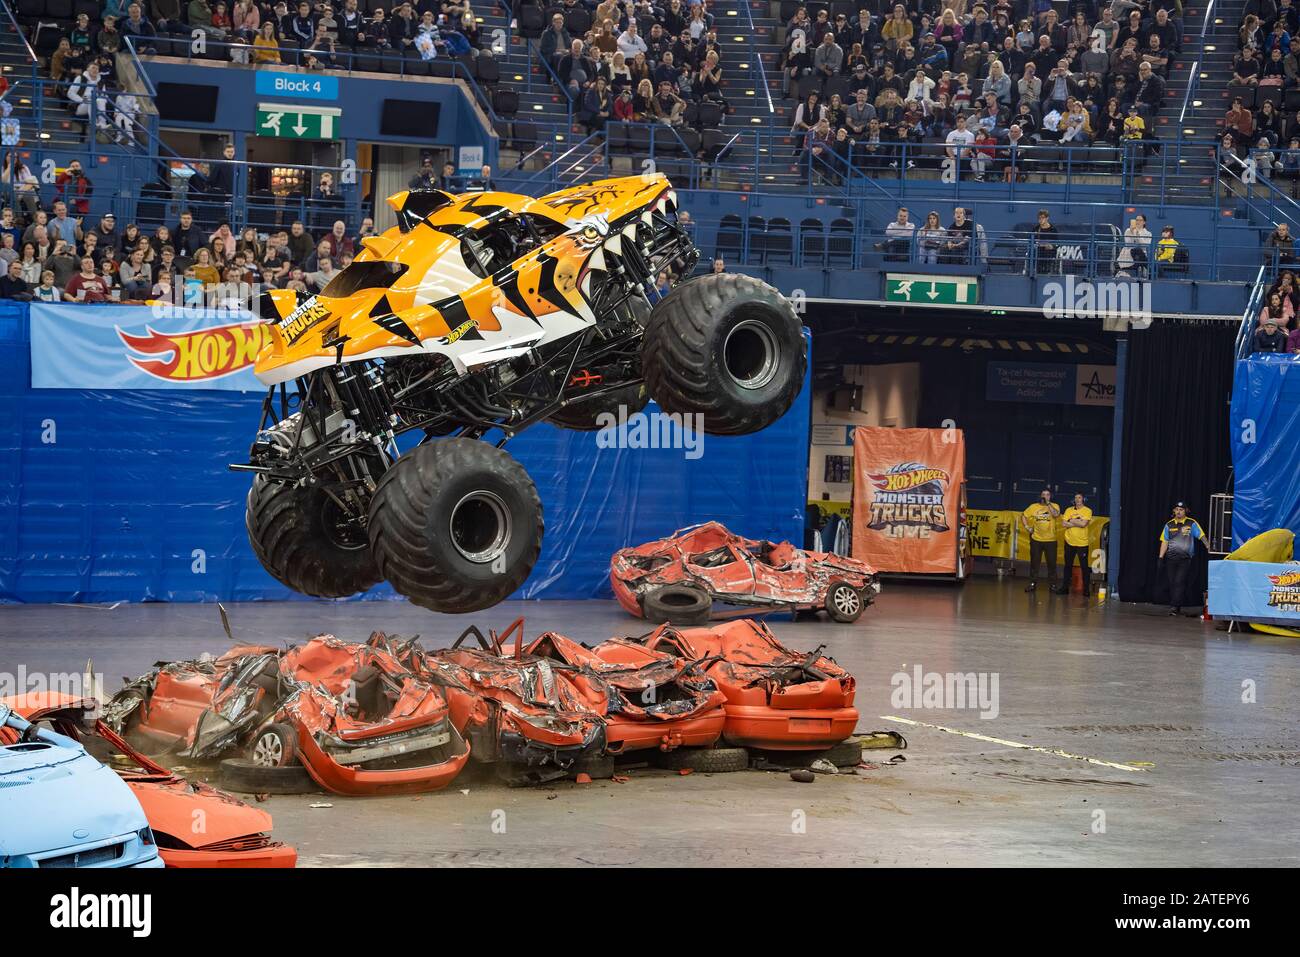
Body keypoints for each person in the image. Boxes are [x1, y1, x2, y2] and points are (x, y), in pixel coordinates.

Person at [1159, 503, 1208, 616]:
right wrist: (1160, 558)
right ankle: (1177, 605)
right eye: (1176, 509)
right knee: (1172, 582)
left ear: (1185, 511)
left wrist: (1208, 546)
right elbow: (1164, 541)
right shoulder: (1169, 525)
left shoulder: (1191, 523)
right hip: (1171, 559)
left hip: (1185, 559)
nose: (1179, 511)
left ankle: (1174, 607)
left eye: (1181, 509)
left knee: (1179, 581)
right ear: (1174, 511)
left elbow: (1201, 535)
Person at [1021, 487, 1061, 592]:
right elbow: (1024, 516)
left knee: (1052, 563)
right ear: (1040, 496)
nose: (1045, 496)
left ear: (1050, 496)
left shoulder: (1055, 506)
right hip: (1036, 540)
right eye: (1043, 494)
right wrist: (1027, 527)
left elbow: (1056, 514)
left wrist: (1048, 504)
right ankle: (1032, 584)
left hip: (1051, 540)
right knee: (1035, 563)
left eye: (1047, 494)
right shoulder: (1033, 507)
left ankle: (1053, 585)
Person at [1057, 493, 1093, 596]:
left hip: (1082, 543)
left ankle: (1086, 590)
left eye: (1080, 497)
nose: (1077, 499)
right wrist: (1078, 521)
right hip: (1069, 542)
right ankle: (1065, 588)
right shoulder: (1069, 510)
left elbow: (1084, 524)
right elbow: (1064, 523)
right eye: (1076, 498)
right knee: (1067, 566)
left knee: (1084, 567)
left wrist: (1071, 520)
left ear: (1083, 499)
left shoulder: (1087, 510)